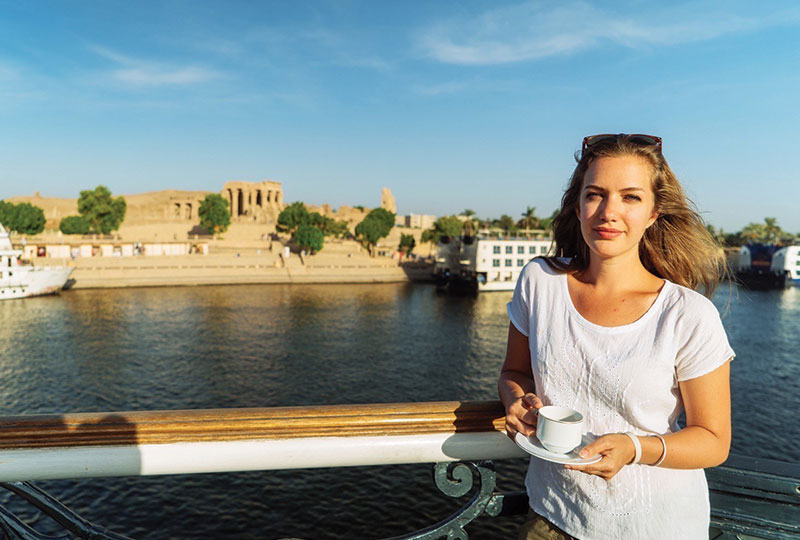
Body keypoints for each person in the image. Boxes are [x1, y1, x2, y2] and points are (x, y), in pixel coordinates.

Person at [498, 133, 734, 540]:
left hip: (656, 527)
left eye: (630, 197)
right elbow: (515, 371)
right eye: (595, 194)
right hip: (552, 515)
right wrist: (516, 402)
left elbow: (713, 441)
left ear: (655, 212)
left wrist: (633, 448)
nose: (609, 212)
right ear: (577, 204)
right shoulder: (539, 282)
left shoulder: (687, 315)